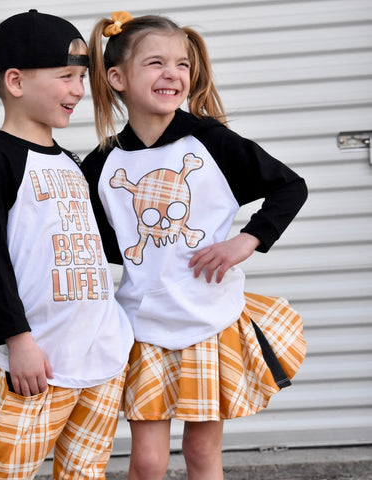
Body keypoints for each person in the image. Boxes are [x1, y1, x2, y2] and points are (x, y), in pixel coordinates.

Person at [81, 11, 308, 480]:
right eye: (156, 63)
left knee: (202, 453)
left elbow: (290, 186)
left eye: (182, 64)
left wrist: (246, 240)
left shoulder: (211, 143)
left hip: (209, 320)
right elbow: (103, 244)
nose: (173, 74)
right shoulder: (103, 163)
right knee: (147, 462)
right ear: (117, 78)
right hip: (144, 327)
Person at [0, 9, 134, 480]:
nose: (79, 90)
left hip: (101, 354)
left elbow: (93, 242)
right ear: (16, 81)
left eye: (82, 78)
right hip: (40, 361)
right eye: (66, 77)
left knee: (85, 472)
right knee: (8, 471)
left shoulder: (72, 161)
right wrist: (16, 339)